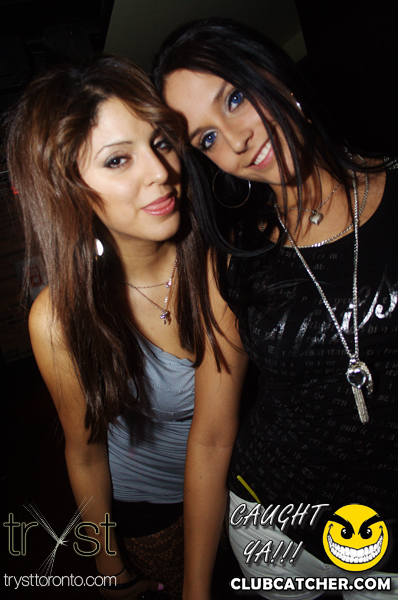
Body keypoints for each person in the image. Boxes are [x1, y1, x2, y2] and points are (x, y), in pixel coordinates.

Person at [153, 17, 398, 600]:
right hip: (274, 526)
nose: (235, 141)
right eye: (206, 139)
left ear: (274, 74)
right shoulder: (233, 258)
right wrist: (195, 590)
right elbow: (212, 435)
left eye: (235, 98)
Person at [5, 54, 247, 600]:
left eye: (161, 143)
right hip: (149, 512)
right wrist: (109, 569)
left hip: (237, 488)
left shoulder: (219, 264)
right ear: (69, 189)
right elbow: (85, 453)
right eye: (117, 160)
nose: (160, 172)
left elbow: (213, 436)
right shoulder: (59, 319)